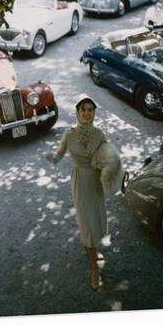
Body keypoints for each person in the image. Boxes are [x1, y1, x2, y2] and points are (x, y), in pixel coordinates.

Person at [45, 94, 109, 291]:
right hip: (80, 182)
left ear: (94, 113)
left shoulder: (99, 134)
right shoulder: (69, 134)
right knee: (85, 224)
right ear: (77, 112)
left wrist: (106, 167)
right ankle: (93, 269)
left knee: (96, 220)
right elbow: (58, 155)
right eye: (84, 109)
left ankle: (94, 250)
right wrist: (50, 157)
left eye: (90, 109)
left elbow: (107, 159)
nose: (87, 113)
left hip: (96, 183)